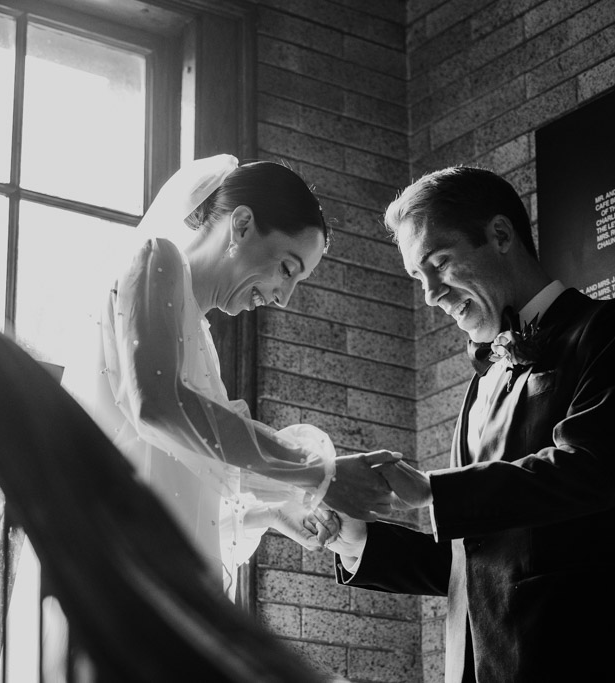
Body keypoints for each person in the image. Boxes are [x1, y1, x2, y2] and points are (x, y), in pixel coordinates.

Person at [327, 166, 615, 682]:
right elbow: (477, 563)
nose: (430, 295)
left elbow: (590, 472)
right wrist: (355, 539)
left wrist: (431, 490)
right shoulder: (480, 386)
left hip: (590, 661)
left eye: (439, 263)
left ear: (501, 235)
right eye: (417, 277)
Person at [93, 154, 394, 595]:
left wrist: (272, 514)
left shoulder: (200, 339)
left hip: (169, 574)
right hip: (122, 571)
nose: (284, 298)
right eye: (287, 269)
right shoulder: (157, 257)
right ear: (242, 224)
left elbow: (179, 483)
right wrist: (317, 472)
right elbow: (157, 406)